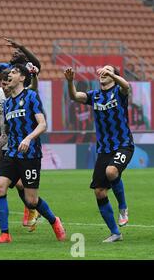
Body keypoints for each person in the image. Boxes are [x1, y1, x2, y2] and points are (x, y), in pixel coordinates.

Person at [0, 64, 66, 244]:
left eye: (14, 72)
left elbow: (42, 124)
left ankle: (54, 220)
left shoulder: (31, 96)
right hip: (12, 155)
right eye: (9, 72)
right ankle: (5, 234)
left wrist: (28, 138)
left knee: (31, 201)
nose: (10, 75)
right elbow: (5, 135)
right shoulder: (7, 103)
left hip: (30, 155)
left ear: (23, 78)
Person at [64, 65, 133, 242]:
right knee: (100, 192)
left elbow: (127, 86)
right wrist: (70, 82)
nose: (103, 72)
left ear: (113, 76)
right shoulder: (95, 95)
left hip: (123, 144)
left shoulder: (119, 92)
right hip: (104, 149)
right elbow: (74, 96)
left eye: (108, 71)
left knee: (111, 172)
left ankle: (123, 207)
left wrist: (112, 73)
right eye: (103, 70)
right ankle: (115, 233)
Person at [0, 69, 40, 231]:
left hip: (22, 146)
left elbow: (32, 88)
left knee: (22, 186)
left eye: (8, 82)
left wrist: (34, 76)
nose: (5, 87)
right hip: (6, 137)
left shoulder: (25, 96)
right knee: (0, 176)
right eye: (3, 83)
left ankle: (34, 209)